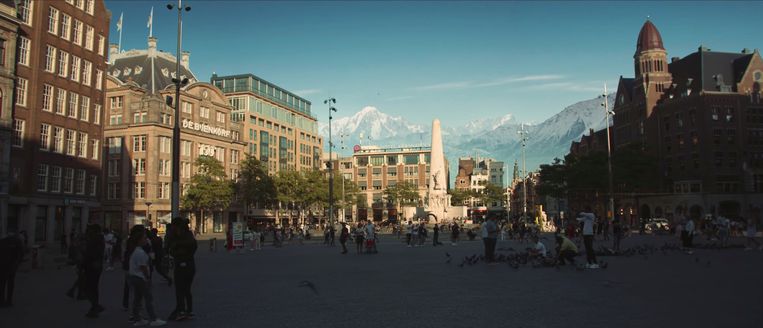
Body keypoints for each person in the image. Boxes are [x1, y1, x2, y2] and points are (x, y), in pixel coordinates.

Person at [127, 225, 167, 326]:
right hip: (140, 277)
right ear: (139, 240)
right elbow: (143, 267)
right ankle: (153, 319)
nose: (146, 240)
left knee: (137, 298)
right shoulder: (140, 252)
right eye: (144, 238)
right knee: (148, 298)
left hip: (134, 276)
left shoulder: (136, 250)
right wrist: (147, 277)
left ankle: (137, 318)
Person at [167, 218, 198, 321]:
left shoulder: (176, 237)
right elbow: (193, 247)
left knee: (180, 289)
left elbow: (170, 249)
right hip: (189, 265)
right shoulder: (189, 236)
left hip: (182, 264)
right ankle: (188, 310)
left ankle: (181, 311)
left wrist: (176, 250)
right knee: (186, 289)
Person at [83, 224, 105, 318]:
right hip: (92, 266)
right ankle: (95, 306)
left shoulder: (96, 240)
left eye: (90, 230)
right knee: (92, 287)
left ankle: (95, 306)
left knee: (89, 287)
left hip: (93, 266)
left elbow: (92, 253)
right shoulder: (95, 239)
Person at [0, 230, 24, 307]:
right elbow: (20, 254)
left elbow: (20, 254)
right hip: (9, 266)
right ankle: (7, 301)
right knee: (8, 283)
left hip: (5, 266)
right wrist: (17, 264)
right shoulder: (17, 241)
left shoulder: (4, 241)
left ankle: (4, 300)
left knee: (3, 283)